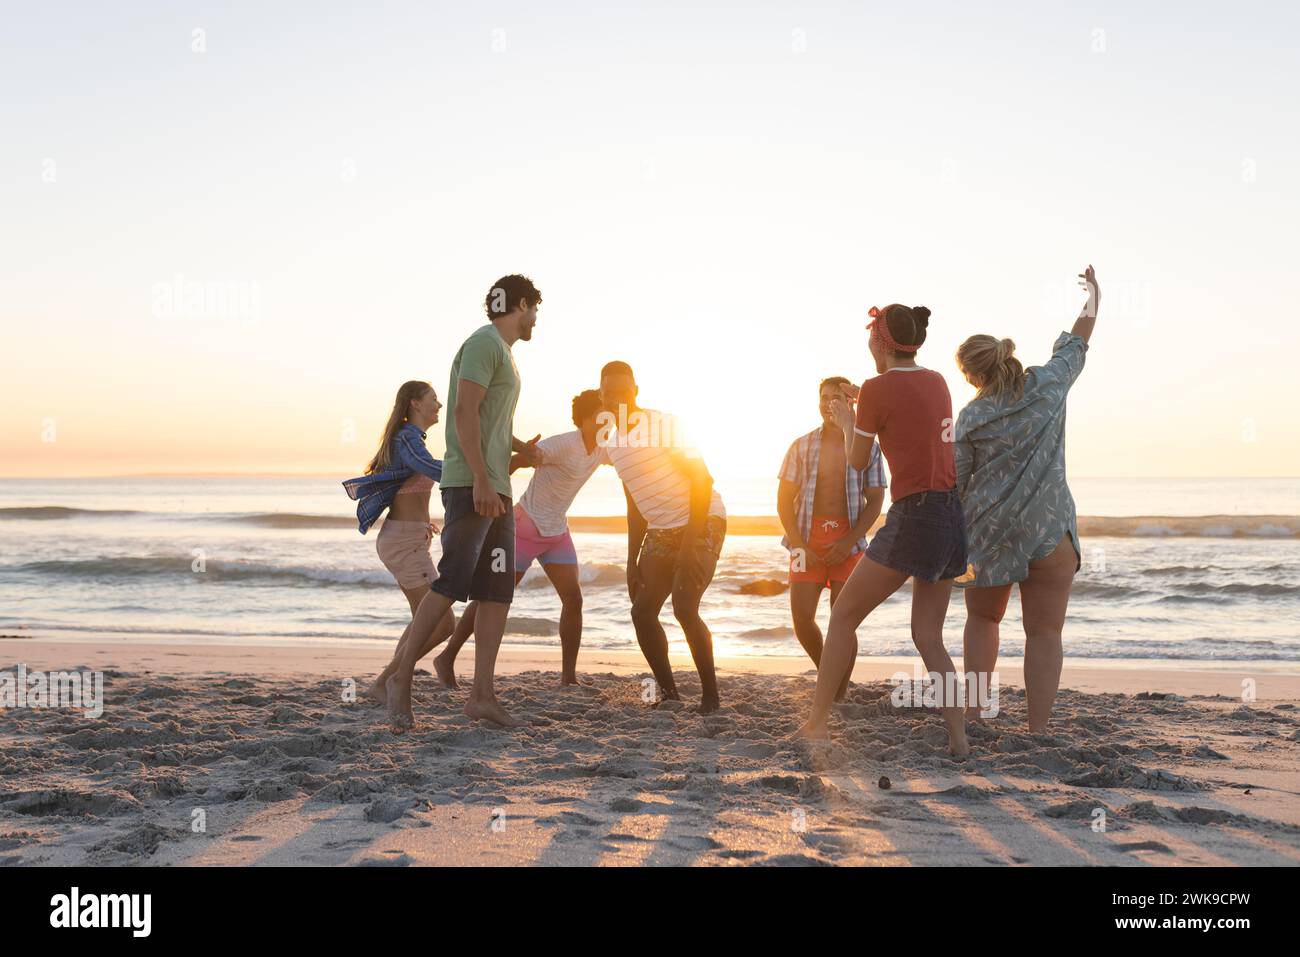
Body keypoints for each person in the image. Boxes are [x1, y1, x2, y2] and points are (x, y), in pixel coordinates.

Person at [796, 303, 970, 758]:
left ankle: (816, 723)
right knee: (929, 637)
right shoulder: (937, 381)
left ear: (880, 343)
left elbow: (857, 460)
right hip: (951, 514)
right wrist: (863, 403)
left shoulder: (874, 389)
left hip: (913, 516)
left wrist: (846, 420)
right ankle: (959, 738)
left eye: (871, 340)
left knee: (843, 617)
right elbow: (907, 413)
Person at [383, 274, 543, 730]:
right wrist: (478, 478)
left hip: (495, 486)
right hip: (472, 485)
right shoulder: (483, 344)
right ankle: (400, 678)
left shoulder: (505, 354)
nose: (536, 320)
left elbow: (487, 421)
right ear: (523, 304)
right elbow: (463, 413)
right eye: (535, 309)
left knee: (496, 590)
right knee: (452, 581)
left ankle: (482, 695)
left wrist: (517, 450)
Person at [955, 265, 1100, 732]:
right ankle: (1037, 730)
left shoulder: (971, 416)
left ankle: (976, 717)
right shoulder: (1048, 384)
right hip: (1049, 532)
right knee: (1044, 633)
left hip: (991, 535)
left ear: (970, 373)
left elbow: (957, 482)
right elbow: (1077, 340)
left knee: (983, 621)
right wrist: (1093, 296)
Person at [434, 390, 607, 687]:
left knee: (573, 598)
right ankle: (447, 657)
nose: (609, 423)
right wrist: (499, 490)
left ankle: (568, 678)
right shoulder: (563, 444)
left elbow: (630, 460)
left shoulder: (602, 448)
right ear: (588, 420)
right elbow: (520, 460)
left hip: (556, 532)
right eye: (603, 417)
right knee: (492, 598)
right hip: (524, 527)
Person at [598, 361, 727, 713]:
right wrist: (631, 560)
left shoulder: (663, 426)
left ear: (635, 391)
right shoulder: (612, 444)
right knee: (642, 612)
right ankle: (670, 695)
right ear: (602, 395)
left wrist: (688, 547)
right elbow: (635, 506)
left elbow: (703, 481)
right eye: (610, 392)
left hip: (703, 519)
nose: (617, 398)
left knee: (685, 608)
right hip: (660, 529)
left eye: (624, 391)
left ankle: (711, 698)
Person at [341, 381, 457, 706]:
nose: (440, 405)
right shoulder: (407, 438)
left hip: (410, 539)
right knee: (443, 621)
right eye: (434, 399)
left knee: (424, 619)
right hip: (403, 542)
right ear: (416, 404)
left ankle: (387, 681)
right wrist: (472, 471)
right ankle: (389, 679)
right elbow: (430, 469)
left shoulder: (412, 439)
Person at [777, 377, 886, 695]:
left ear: (851, 403)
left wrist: (850, 540)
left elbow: (876, 500)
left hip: (849, 544)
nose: (829, 404)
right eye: (824, 397)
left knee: (844, 620)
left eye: (837, 398)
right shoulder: (801, 445)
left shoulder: (868, 448)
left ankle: (837, 693)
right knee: (802, 620)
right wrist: (798, 543)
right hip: (805, 542)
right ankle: (830, 672)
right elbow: (784, 500)